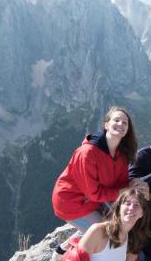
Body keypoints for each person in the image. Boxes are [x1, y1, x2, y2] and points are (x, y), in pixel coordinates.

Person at [52, 106, 145, 252]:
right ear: (106, 125)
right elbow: (94, 193)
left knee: (119, 225)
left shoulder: (121, 154)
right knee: (108, 235)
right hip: (72, 202)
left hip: (93, 201)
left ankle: (63, 248)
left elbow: (120, 184)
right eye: (117, 120)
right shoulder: (87, 153)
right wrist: (125, 190)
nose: (121, 124)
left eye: (125, 123)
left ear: (128, 129)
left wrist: (133, 185)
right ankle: (70, 255)